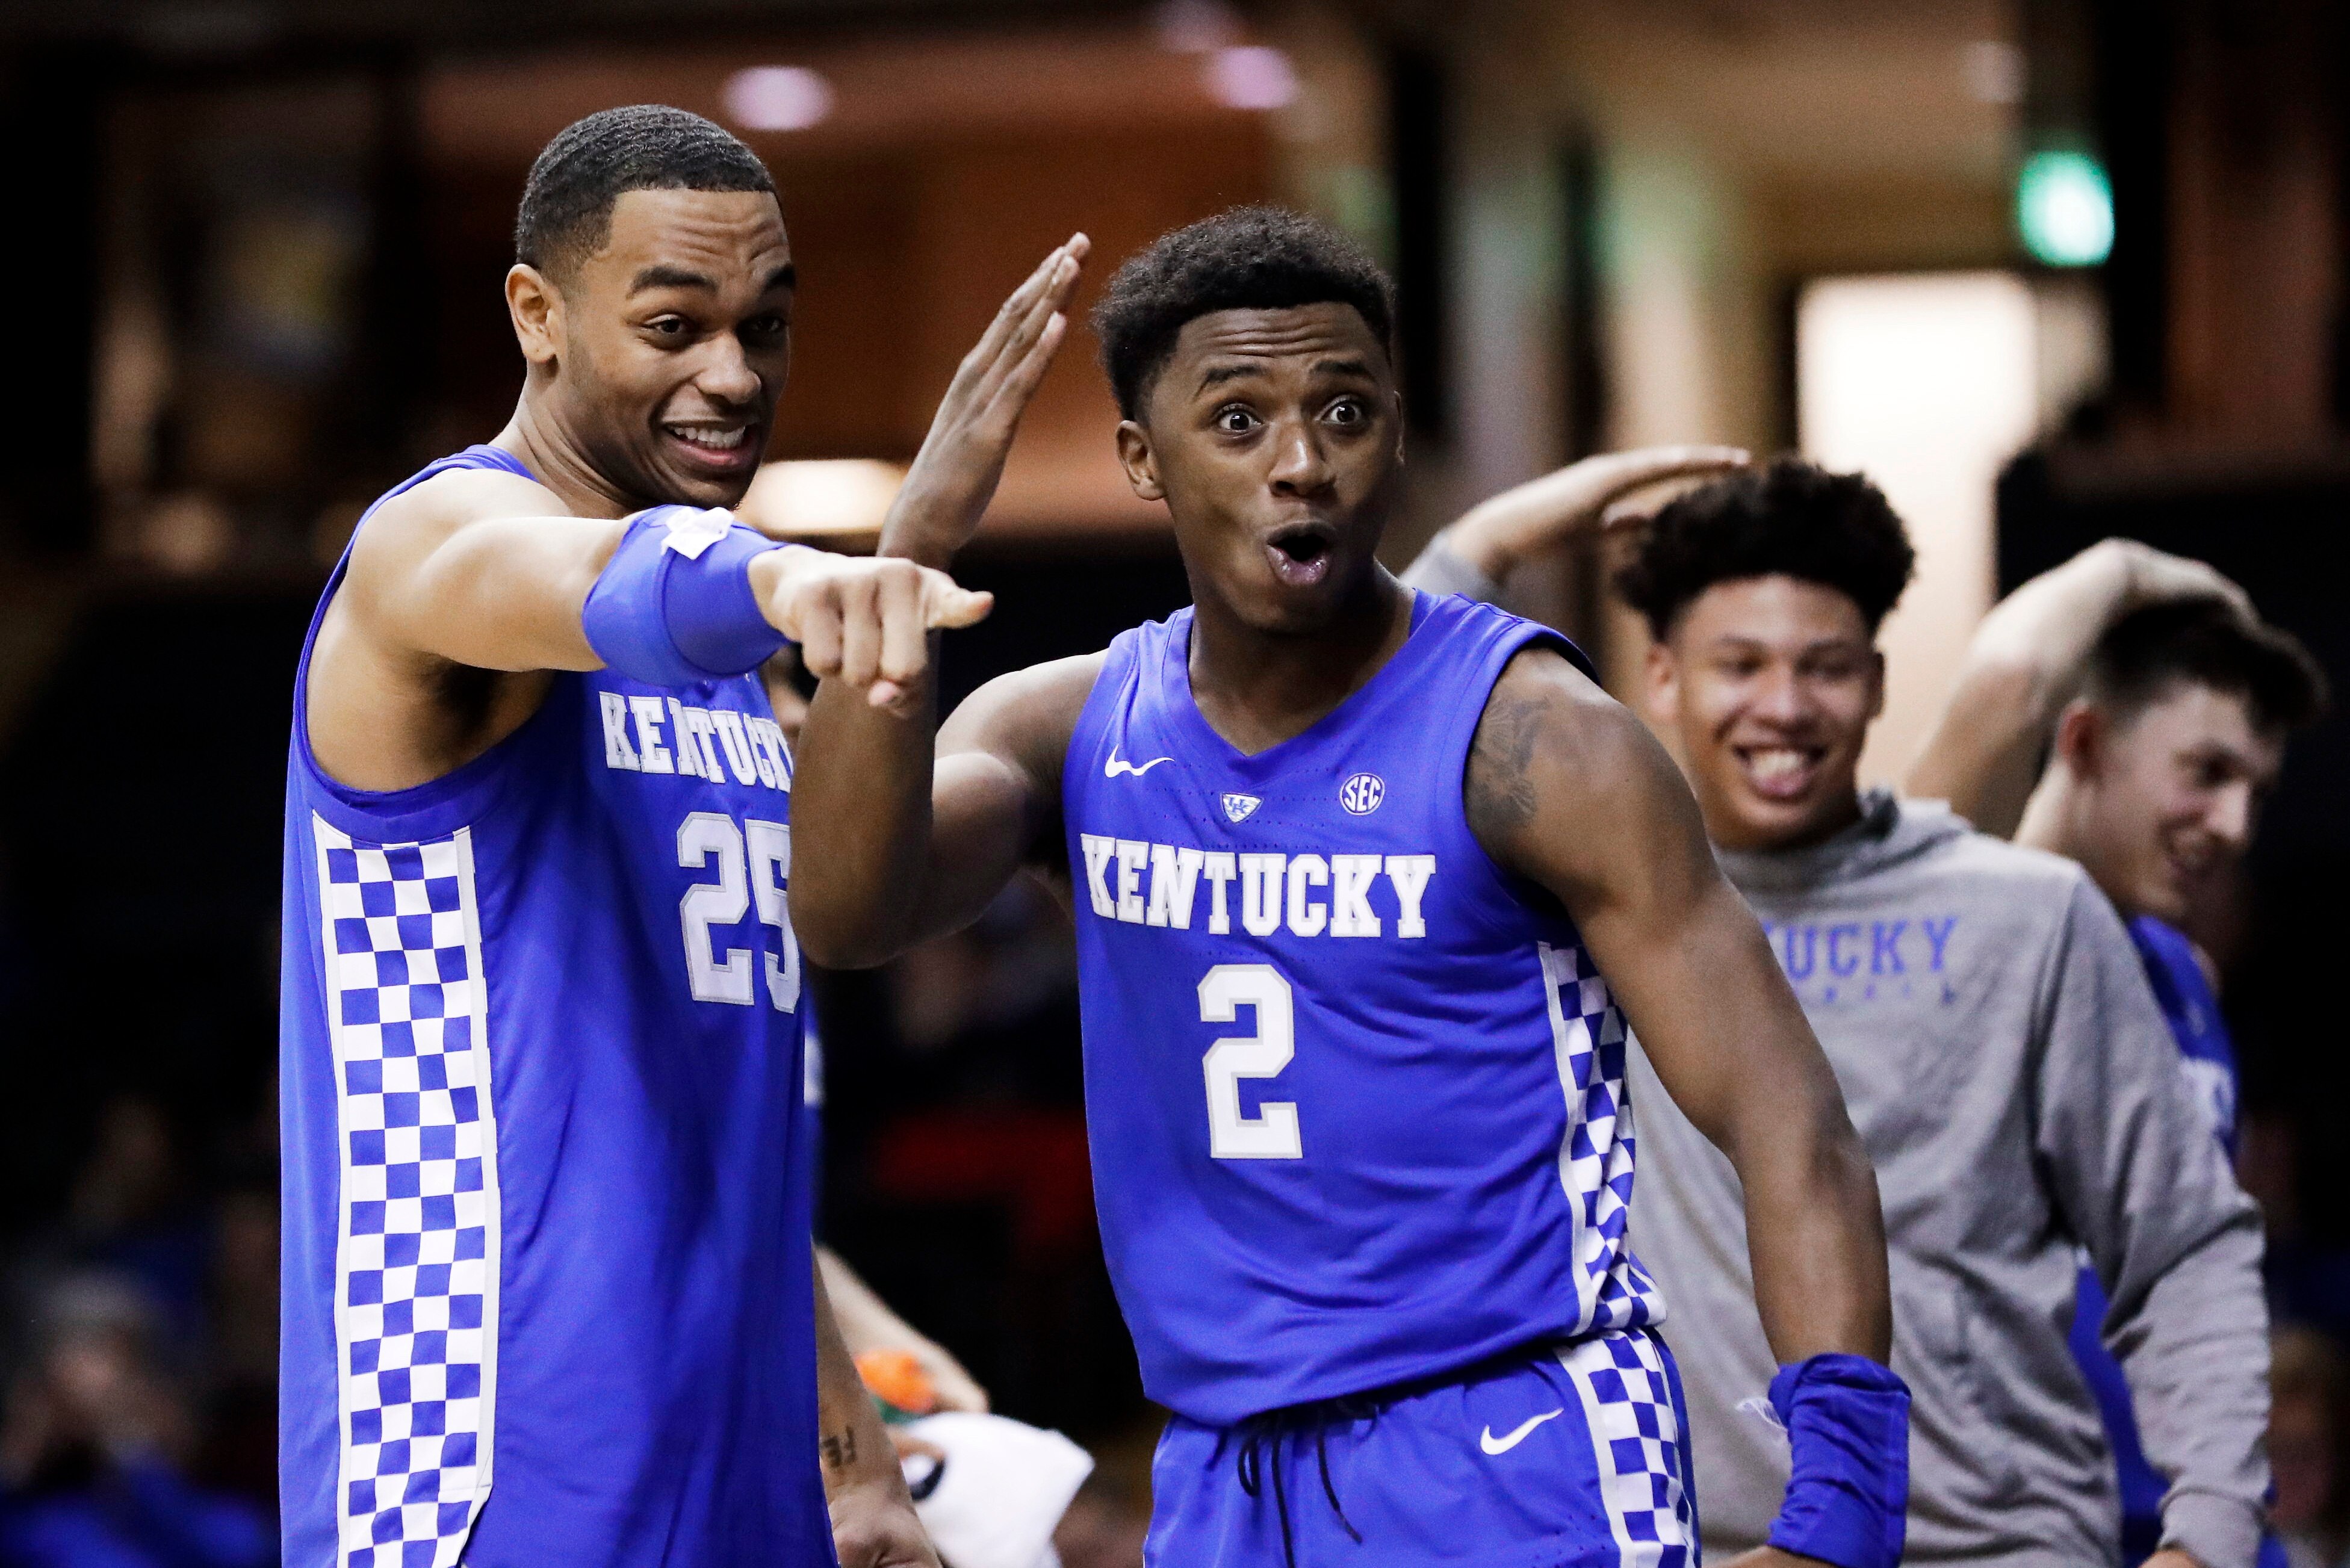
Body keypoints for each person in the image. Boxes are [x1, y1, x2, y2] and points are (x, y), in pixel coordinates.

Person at [790, 206, 1908, 1568]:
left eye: (1343, 409)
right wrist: (905, 548)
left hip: (1507, 1438)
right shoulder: (1068, 730)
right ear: (1144, 459)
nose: (1301, 463)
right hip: (1221, 1461)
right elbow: (843, 915)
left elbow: (1789, 1121)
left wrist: (1842, 1509)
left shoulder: (1537, 739)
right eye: (1240, 420)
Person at [281, 104, 1083, 1568]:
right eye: (674, 325)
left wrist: (850, 1453)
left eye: (764, 326)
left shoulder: (735, 669)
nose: (733, 374)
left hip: (737, 1463)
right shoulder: (437, 545)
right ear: (538, 313)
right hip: (482, 1469)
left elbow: (738, 1125)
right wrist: (781, 571)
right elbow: (582, 568)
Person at [1409, 459, 2275, 1567]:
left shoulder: (2026, 916)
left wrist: (2207, 1535)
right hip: (1700, 1546)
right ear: (1662, 676)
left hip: (1994, 1546)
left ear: (1873, 681)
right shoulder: (1591, 921)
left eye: (1823, 668)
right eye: (1742, 664)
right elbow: (1372, 723)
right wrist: (1500, 529)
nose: (1784, 705)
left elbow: (2186, 1244)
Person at [1903, 542, 2327, 1563]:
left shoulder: (2187, 981)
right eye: (2207, 772)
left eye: (2257, 792)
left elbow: (2190, 1283)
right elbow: (2007, 679)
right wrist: (2132, 568)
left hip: (2193, 1526)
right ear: (2085, 742)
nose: (2232, 824)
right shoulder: (1957, 927)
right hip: (2015, 1528)